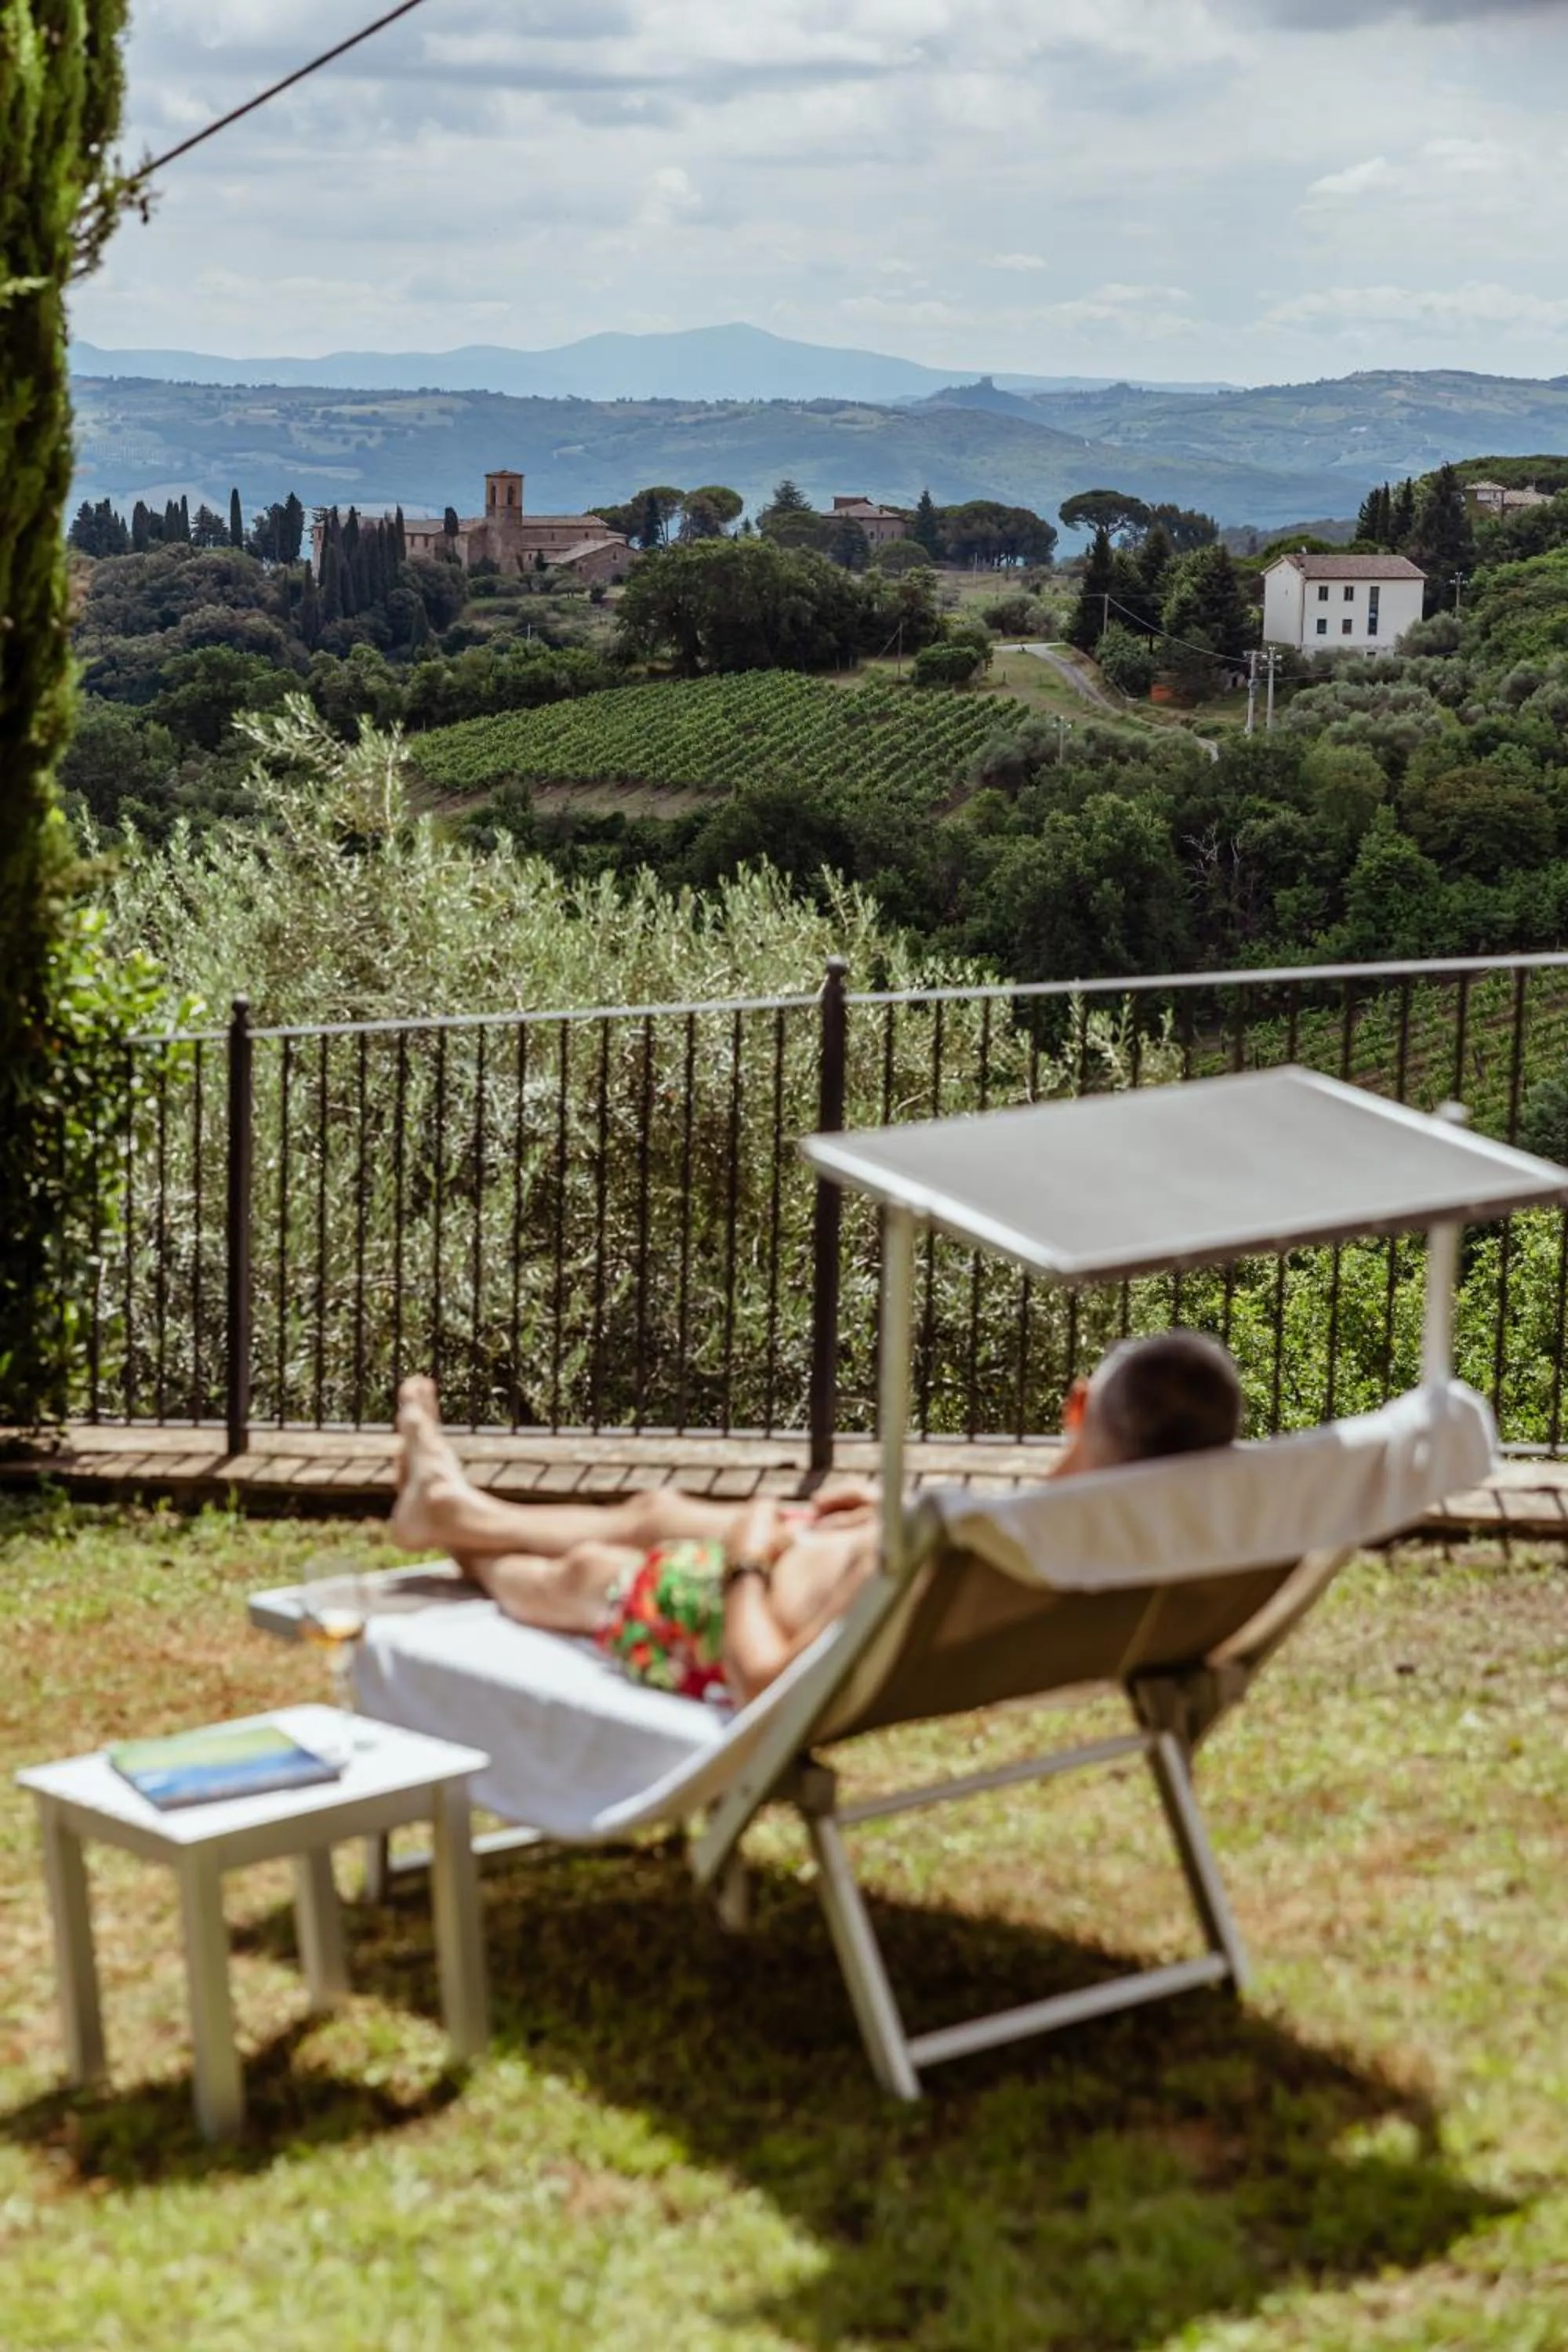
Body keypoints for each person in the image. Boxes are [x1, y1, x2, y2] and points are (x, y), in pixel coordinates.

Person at [390, 1330, 1243, 1709]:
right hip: (822, 1560)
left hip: (739, 1604)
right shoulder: (1115, 1544)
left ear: (1076, 1406)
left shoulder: (989, 1552)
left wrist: (748, 1560)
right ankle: (455, 1505)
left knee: (578, 1576)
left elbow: (763, 1680)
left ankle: (456, 1523)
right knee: (658, 1511)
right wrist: (890, 1514)